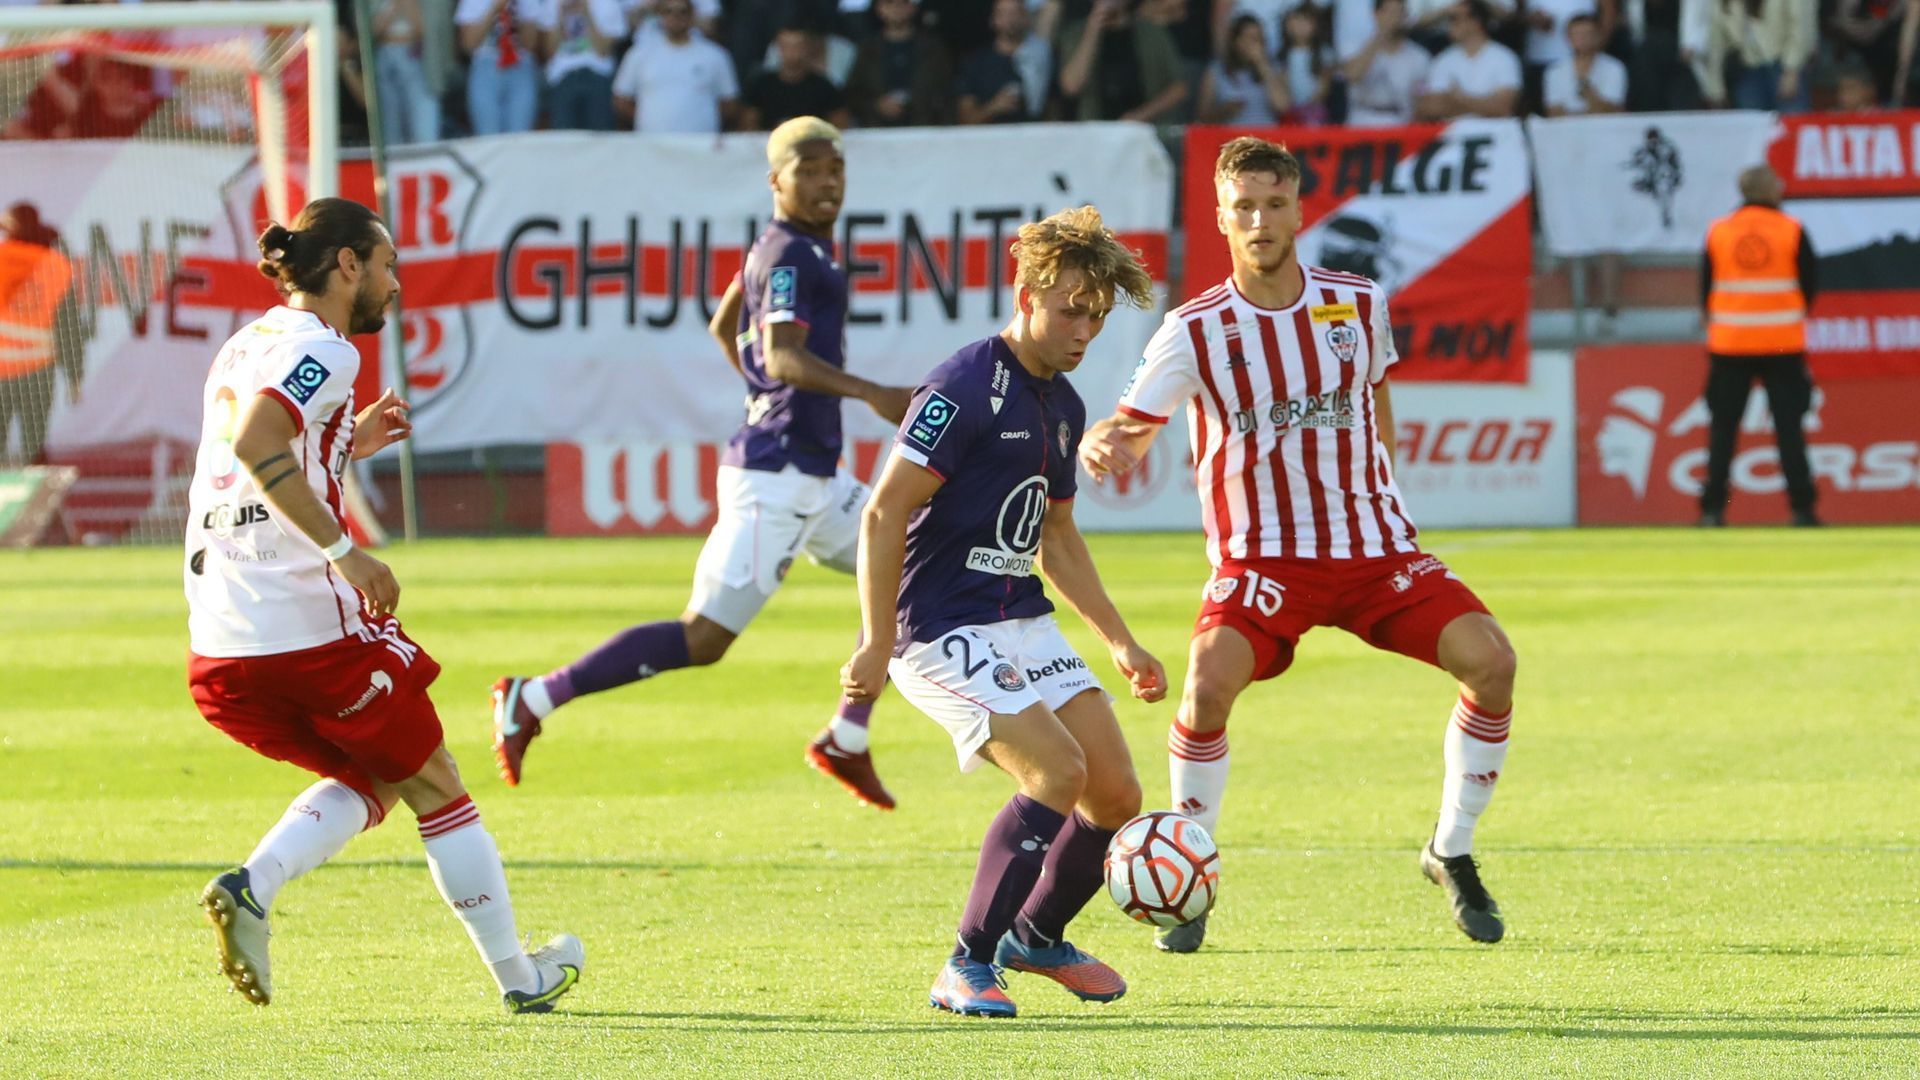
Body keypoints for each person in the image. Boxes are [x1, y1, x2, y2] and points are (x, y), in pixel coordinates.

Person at [1079, 137, 1520, 954]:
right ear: (1221, 217)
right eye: (1242, 207)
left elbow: (1377, 402)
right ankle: (1192, 864)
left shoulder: (1357, 304)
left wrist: (1382, 489)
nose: (1259, 220)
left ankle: (1450, 850)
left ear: (1298, 211)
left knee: (1492, 661)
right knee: (1207, 686)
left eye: (1273, 204)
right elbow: (1130, 428)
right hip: (1263, 560)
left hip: (1374, 550)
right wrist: (1103, 443)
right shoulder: (1195, 330)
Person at [187, 198, 583, 1013]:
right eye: (388, 264)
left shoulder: (247, 341)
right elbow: (260, 442)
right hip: (305, 620)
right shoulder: (322, 348)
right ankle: (521, 978)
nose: (396, 285)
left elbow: (260, 452)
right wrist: (346, 551)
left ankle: (253, 887)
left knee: (373, 777)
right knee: (437, 781)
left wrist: (342, 442)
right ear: (346, 265)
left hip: (223, 634)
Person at [492, 119, 914, 809]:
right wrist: (873, 394)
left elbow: (726, 326)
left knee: (910, 567)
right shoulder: (788, 254)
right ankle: (533, 697)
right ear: (775, 179)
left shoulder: (800, 247)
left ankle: (848, 735)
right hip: (773, 482)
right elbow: (778, 355)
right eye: (808, 169)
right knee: (705, 638)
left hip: (814, 476)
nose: (827, 180)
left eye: (834, 167)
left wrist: (762, 395)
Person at [840, 205, 1165, 1018]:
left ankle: (1036, 936)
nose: (1084, 327)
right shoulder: (961, 385)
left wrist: (1120, 640)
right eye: (1070, 309)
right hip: (942, 624)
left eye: (1096, 313)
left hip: (1021, 614)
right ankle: (965, 963)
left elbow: (1056, 533)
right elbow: (883, 513)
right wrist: (877, 641)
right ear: (1026, 293)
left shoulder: (1063, 404)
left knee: (1117, 795)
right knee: (1058, 773)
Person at [1697, 164, 1820, 527]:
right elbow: (1809, 286)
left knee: (1723, 430)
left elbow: (1706, 287)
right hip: (1782, 344)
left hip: (1730, 344)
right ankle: (1802, 511)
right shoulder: (1792, 229)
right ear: (1769, 190)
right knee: (1789, 431)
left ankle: (1712, 510)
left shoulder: (1718, 230)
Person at [0, 202, 75, 466]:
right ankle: (42, 506)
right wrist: (74, 375)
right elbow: (68, 325)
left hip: (2, 372)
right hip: (38, 372)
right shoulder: (56, 265)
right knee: (35, 445)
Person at [610, 0, 739, 133]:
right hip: (652, 144)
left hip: (700, 146)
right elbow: (621, 99)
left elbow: (729, 103)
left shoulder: (715, 55)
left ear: (692, 16)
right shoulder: (639, 54)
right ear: (659, 16)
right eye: (668, 11)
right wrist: (647, 118)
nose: (676, 17)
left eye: (682, 12)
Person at [1056, 0, 1189, 123]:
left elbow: (1178, 89)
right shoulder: (1074, 34)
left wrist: (1141, 115)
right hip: (1095, 133)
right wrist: (1093, 29)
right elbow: (1071, 86)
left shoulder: (1152, 32)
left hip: (1146, 133)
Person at [846, 0, 956, 126]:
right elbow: (852, 94)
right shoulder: (867, 50)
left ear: (913, 7)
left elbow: (948, 92)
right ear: (879, 8)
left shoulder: (934, 48)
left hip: (925, 128)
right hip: (877, 130)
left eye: (904, 2)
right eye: (890, 2)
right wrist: (876, 105)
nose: (897, 8)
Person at [1698, 0, 1814, 111]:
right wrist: (1715, 87)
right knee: (1752, 126)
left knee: (1791, 122)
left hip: (1783, 64)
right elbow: (1716, 41)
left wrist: (1791, 70)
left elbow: (1800, 27)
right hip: (1747, 68)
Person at [1416, 0, 1523, 119]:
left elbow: (1503, 108)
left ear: (1475, 22)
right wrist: (1483, 104)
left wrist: (1458, 98)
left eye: (1454, 18)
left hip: (1493, 134)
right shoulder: (1443, 60)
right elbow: (1431, 107)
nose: (1449, 24)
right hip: (1452, 134)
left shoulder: (1504, 57)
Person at [955, 0, 1053, 123]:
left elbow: (1055, 108)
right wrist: (994, 107)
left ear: (1026, 18)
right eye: (1003, 13)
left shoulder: (1043, 58)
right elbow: (965, 120)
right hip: (991, 139)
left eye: (1015, 13)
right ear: (993, 20)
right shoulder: (976, 64)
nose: (1010, 20)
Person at [535, 0, 627, 131]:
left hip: (598, 76)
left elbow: (603, 50)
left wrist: (586, 12)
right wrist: (561, 16)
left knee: (600, 139)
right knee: (564, 139)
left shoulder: (608, 3)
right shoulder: (552, 3)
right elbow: (549, 51)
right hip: (563, 78)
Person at [456, 0, 545, 134]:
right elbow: (468, 44)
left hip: (520, 67)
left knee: (519, 136)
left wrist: (518, 12)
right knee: (487, 137)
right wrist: (494, 8)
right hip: (485, 67)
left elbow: (530, 44)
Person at [741, 23, 853, 130]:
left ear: (807, 48)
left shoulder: (824, 87)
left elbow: (840, 125)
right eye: (786, 46)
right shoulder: (761, 85)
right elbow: (749, 126)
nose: (792, 52)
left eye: (797, 46)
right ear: (778, 47)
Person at [1342, 0, 1432, 127]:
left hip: (1399, 121)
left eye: (1398, 12)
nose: (1394, 18)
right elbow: (1353, 75)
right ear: (1376, 14)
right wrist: (1380, 36)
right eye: (1388, 12)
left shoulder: (1419, 56)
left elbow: (1421, 100)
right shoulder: (1355, 46)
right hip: (1362, 119)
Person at [368, 0, 441, 144]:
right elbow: (372, 32)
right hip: (384, 60)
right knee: (391, 134)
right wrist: (394, 7)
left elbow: (424, 29)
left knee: (424, 134)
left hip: (417, 60)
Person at [1197, 14, 1290, 124]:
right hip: (1230, 138)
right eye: (1249, 37)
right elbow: (1202, 117)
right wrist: (1223, 111)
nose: (1255, 43)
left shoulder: (1274, 68)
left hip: (1265, 137)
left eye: (1258, 38)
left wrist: (1262, 64)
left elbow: (1283, 107)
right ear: (1235, 41)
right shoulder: (1216, 70)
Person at [1542, 12, 1627, 113]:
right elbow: (1553, 111)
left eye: (1588, 33)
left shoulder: (1615, 67)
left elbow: (1614, 109)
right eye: (1577, 34)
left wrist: (1589, 95)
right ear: (1568, 38)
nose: (1583, 38)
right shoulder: (1554, 70)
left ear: (1599, 36)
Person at [1276, 2, 1334, 124]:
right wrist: (1294, 108)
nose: (1301, 26)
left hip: (1316, 112)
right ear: (1287, 24)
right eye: (1297, 20)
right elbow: (1282, 82)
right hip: (1291, 114)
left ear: (1315, 25)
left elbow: (1325, 84)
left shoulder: (1324, 53)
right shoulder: (1282, 56)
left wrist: (1310, 106)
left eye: (1306, 21)